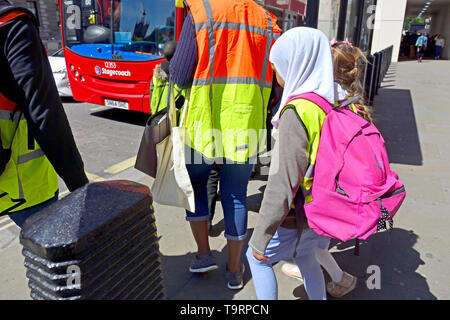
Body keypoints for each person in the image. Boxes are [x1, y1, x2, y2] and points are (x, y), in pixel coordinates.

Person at [169, 0, 281, 290]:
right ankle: (234, 269)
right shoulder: (268, 21)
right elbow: (278, 80)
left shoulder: (201, 11)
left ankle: (204, 255)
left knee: (195, 190)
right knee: (236, 195)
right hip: (246, 123)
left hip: (204, 123)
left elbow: (179, 76)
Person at [246, 28, 363, 300]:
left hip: (295, 215)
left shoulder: (298, 111)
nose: (275, 73)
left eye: (277, 66)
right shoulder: (338, 98)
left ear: (294, 62)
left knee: (258, 259)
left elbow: (282, 184)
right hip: (326, 210)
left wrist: (261, 236)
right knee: (307, 257)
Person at [280, 39, 373, 299]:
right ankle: (336, 275)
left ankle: (338, 277)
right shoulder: (352, 102)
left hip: (321, 195)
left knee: (307, 247)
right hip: (343, 193)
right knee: (316, 243)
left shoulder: (322, 102)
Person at [0, 0, 89, 227]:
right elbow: (44, 112)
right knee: (56, 254)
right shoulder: (12, 26)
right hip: (23, 188)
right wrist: (80, 184)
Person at [149, 41, 185, 114]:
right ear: (177, 55)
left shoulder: (156, 74)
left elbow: (151, 95)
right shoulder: (182, 74)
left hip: (158, 115)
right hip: (176, 116)